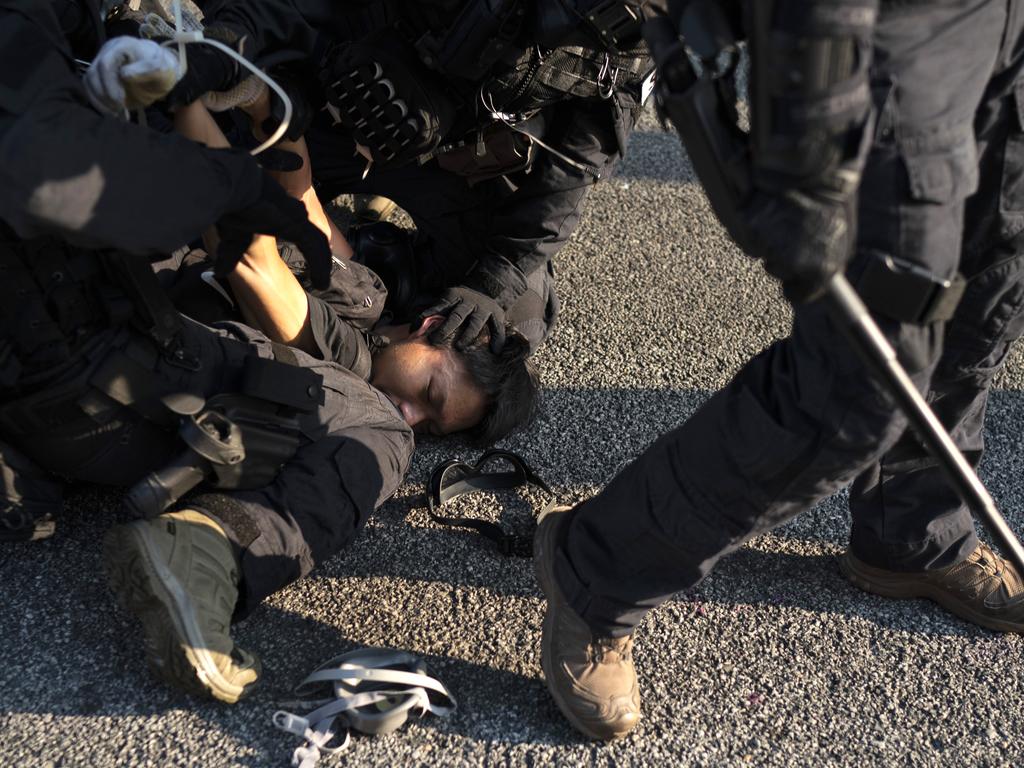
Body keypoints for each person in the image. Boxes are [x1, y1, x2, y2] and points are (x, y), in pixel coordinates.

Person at [0, 1, 536, 705]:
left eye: (432, 427)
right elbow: (300, 194)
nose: (409, 415)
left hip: (95, 343)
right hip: (78, 317)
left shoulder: (346, 378)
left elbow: (250, 258)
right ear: (428, 327)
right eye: (430, 396)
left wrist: (188, 104)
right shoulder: (366, 296)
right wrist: (247, 103)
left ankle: (208, 554)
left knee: (374, 436)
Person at [530, 0, 1024, 742]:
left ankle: (912, 530)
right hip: (883, 32)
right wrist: (810, 132)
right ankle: (600, 565)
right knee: (860, 377)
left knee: (990, 285)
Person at [161, 0, 657, 353]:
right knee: (164, 209)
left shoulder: (647, 33)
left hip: (449, 163)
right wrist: (231, 46)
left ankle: (367, 265)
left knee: (512, 322)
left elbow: (574, 166)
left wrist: (492, 281)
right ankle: (319, 255)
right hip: (318, 101)